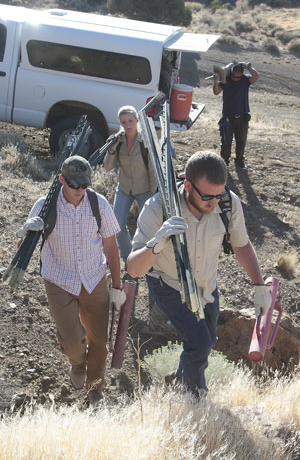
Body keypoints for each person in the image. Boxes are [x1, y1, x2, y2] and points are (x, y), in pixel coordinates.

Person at [127, 151, 272, 397]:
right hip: (168, 284)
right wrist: (157, 242)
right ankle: (196, 399)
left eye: (218, 194)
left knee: (208, 340)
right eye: (207, 196)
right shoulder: (158, 207)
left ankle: (178, 378)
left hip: (206, 284)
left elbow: (241, 244)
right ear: (187, 185)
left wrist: (259, 286)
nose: (213, 202)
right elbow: (133, 268)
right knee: (200, 342)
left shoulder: (227, 202)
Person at [16, 155, 126, 405]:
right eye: (74, 185)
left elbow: (111, 247)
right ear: (61, 180)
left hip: (94, 278)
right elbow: (25, 247)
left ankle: (95, 390)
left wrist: (117, 286)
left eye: (84, 185)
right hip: (58, 280)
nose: (80, 190)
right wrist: (26, 230)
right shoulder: (45, 206)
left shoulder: (99, 204)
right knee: (72, 341)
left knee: (100, 343)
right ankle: (78, 363)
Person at [103, 106, 157, 267]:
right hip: (125, 188)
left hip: (145, 189)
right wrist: (111, 150)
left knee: (148, 226)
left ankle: (147, 260)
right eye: (124, 122)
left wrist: (154, 193)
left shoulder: (145, 140)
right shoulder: (118, 141)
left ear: (137, 121)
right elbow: (107, 167)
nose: (127, 125)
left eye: (130, 121)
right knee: (117, 224)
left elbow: (153, 169)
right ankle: (128, 258)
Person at [213, 62, 259, 169]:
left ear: (242, 74)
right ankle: (224, 162)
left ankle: (239, 161)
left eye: (238, 77)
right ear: (231, 73)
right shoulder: (226, 79)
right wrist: (216, 81)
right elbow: (216, 92)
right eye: (234, 76)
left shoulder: (245, 80)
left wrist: (250, 68)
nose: (235, 79)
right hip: (228, 117)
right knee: (226, 141)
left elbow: (256, 77)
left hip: (242, 118)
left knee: (241, 141)